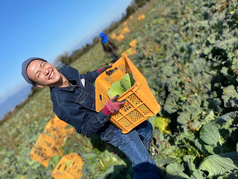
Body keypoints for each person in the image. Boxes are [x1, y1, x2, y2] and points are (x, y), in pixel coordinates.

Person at [21, 57, 160, 179]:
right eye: (38, 74)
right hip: (110, 130)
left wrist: (98, 72)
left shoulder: (67, 70)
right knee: (146, 166)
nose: (45, 71)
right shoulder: (62, 105)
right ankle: (144, 164)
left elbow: (85, 78)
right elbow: (85, 128)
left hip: (119, 112)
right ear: (39, 85)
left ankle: (143, 153)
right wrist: (106, 111)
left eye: (42, 65)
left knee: (146, 128)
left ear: (48, 62)